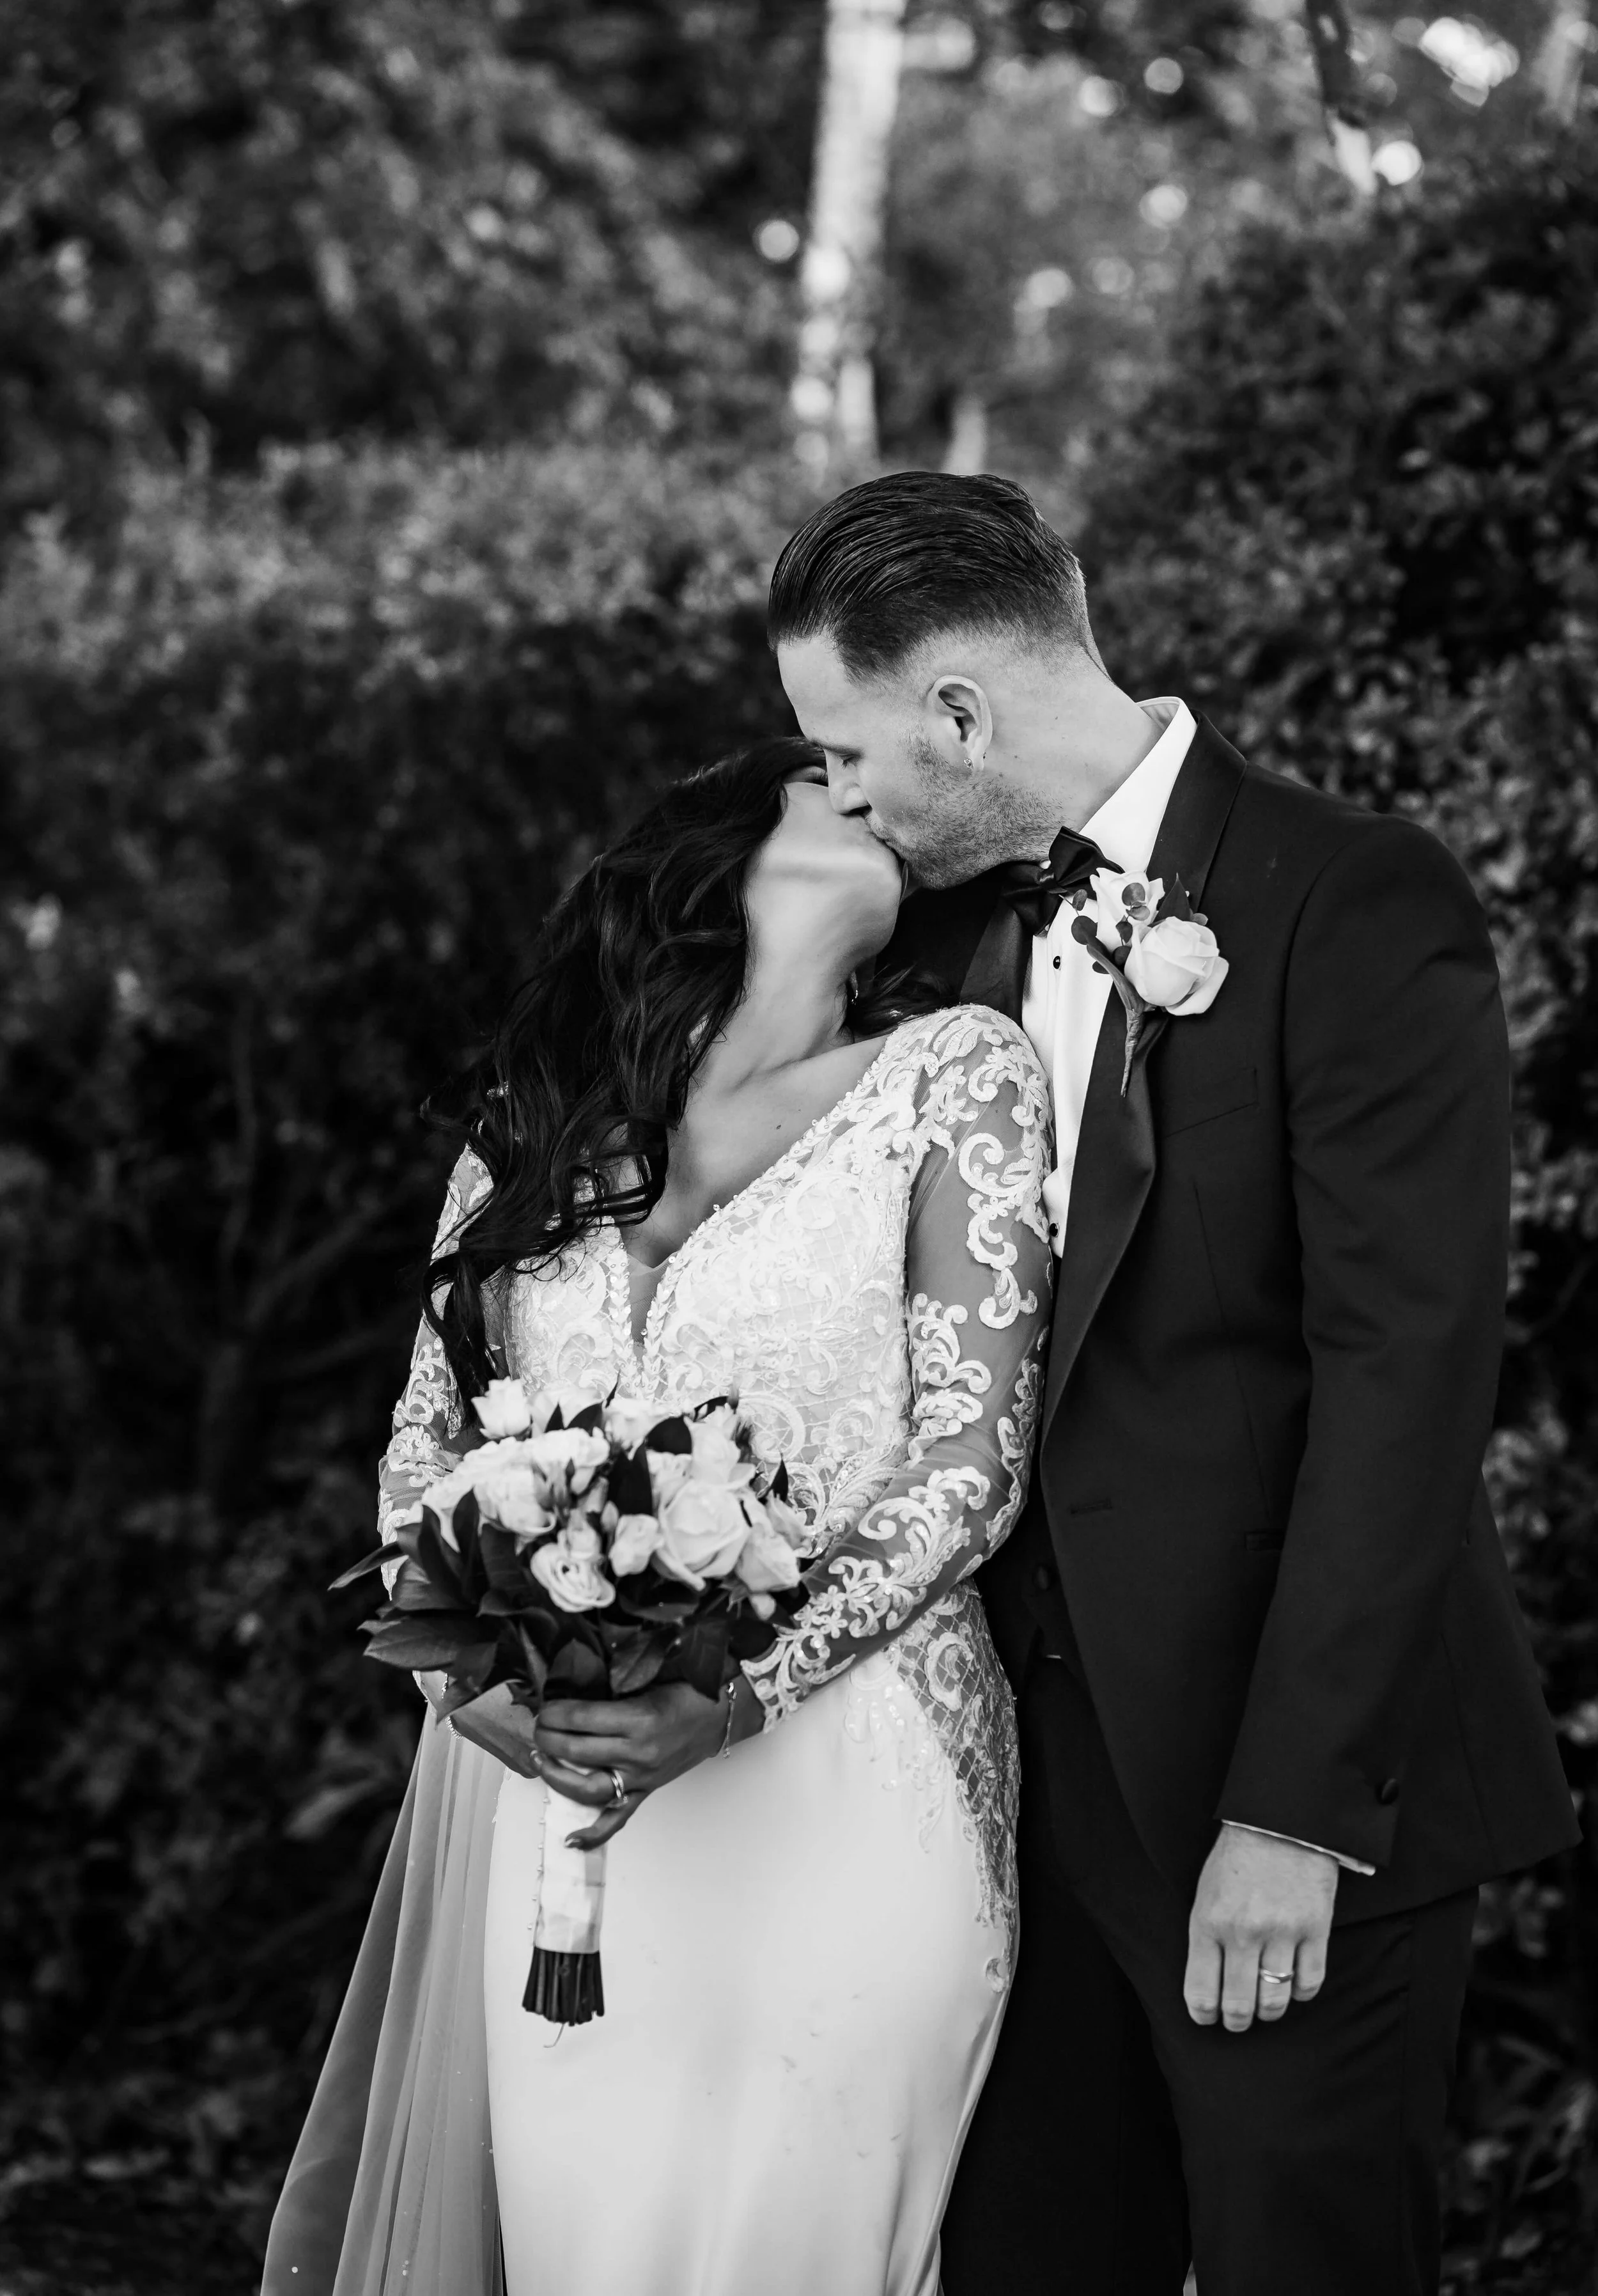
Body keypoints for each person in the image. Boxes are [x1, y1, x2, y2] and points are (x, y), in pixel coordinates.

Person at [768, 470, 1579, 2296]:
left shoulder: (1350, 899)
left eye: (847, 743)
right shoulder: (937, 940)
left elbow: (1405, 1376)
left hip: (1280, 1798)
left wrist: (1290, 1812)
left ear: (958, 711)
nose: (843, 792)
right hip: (1001, 1802)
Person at [261, 735, 1055, 2296]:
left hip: (853, 1775)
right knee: (585, 2243)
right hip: (557, 1812)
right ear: (727, 856)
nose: (881, 793)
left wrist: (744, 1690)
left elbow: (970, 1461)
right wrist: (465, 1685)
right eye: (834, 783)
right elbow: (425, 1447)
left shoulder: (955, 1075)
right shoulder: (537, 1120)